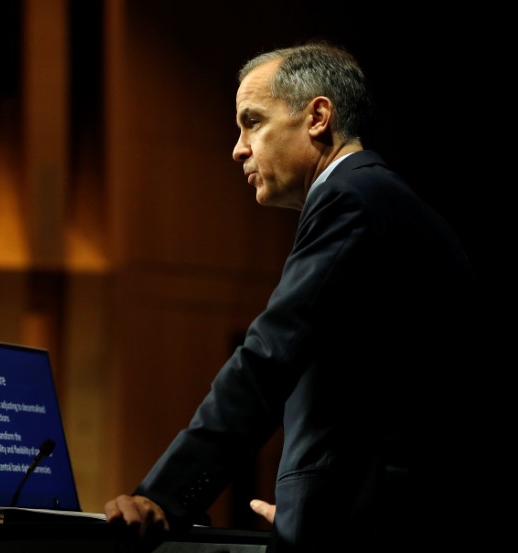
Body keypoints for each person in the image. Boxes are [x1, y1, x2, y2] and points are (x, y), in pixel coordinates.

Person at [103, 41, 480, 552]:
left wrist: (163, 499)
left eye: (251, 122)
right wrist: (330, 504)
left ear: (317, 117)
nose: (237, 147)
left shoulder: (351, 199)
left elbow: (266, 359)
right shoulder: (389, 202)